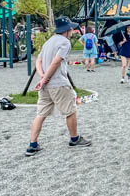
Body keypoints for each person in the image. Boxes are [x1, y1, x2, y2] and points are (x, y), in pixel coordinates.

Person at [26, 15, 91, 155]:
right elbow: (56, 62)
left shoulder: (48, 42)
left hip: (45, 87)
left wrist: (42, 76)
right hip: (59, 83)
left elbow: (38, 61)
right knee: (70, 111)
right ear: (67, 30)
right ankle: (74, 139)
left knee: (41, 114)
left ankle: (32, 144)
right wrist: (45, 78)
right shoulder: (65, 42)